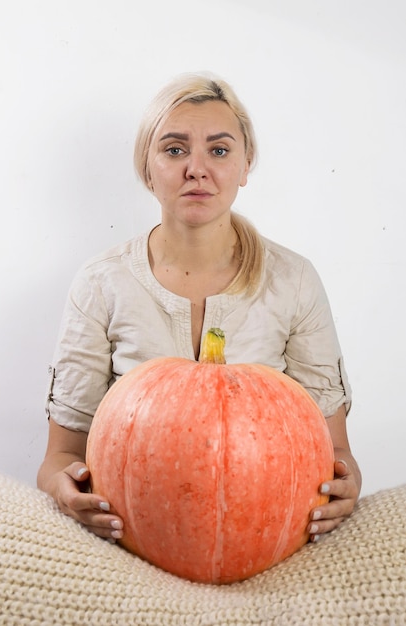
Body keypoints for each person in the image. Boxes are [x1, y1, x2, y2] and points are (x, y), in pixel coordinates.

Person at [37, 72, 362, 544]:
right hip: (130, 538)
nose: (196, 168)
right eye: (174, 149)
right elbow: (59, 457)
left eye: (220, 149)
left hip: (263, 537)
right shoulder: (100, 282)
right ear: (147, 169)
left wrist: (347, 482)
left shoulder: (294, 280)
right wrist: (63, 488)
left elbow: (337, 454)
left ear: (246, 165)